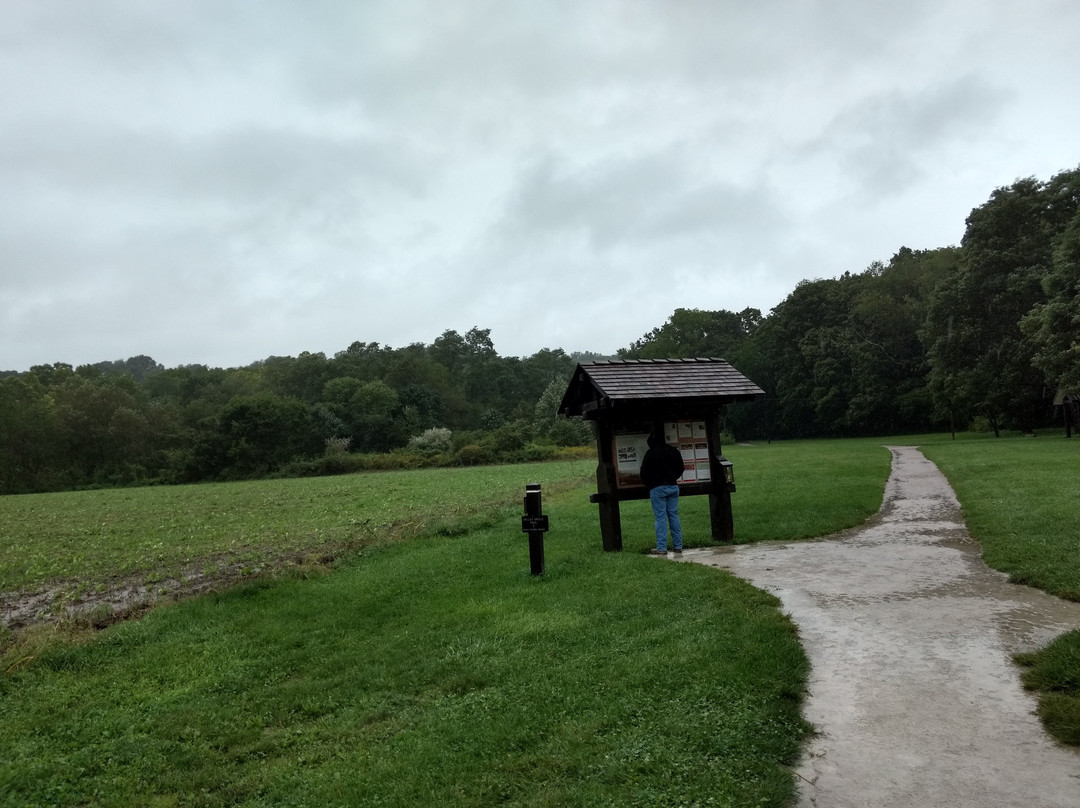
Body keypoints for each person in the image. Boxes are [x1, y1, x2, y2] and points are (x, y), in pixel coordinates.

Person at [638, 430, 685, 555]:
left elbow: (644, 472)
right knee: (674, 515)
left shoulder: (650, 453)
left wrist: (650, 483)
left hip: (657, 488)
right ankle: (678, 546)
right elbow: (681, 467)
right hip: (673, 487)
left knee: (660, 517)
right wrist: (673, 477)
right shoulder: (673, 451)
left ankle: (662, 548)